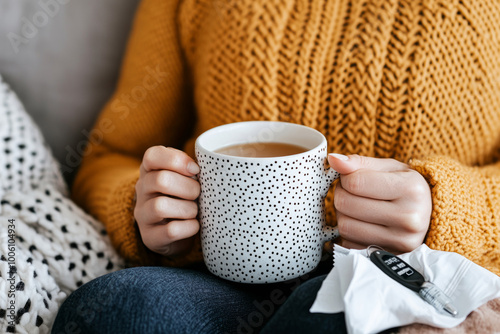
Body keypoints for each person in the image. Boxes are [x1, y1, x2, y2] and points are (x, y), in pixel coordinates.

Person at [52, 0, 500, 333]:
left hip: (410, 276)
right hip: (218, 280)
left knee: (335, 313)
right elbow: (109, 154)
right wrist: (146, 205)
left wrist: (446, 207)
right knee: (120, 310)